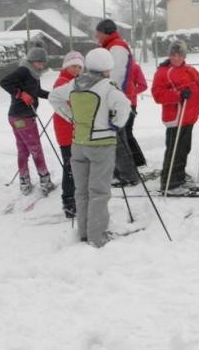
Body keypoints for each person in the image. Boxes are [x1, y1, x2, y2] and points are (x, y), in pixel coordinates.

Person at [49, 48, 131, 247]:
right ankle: (97, 236)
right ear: (107, 67)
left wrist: (71, 117)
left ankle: (84, 232)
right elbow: (124, 105)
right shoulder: (108, 87)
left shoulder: (75, 83)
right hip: (101, 145)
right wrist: (117, 123)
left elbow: (54, 97)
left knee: (82, 191)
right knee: (99, 192)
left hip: (78, 144)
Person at [151, 40, 199, 193]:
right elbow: (157, 95)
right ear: (169, 55)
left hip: (189, 117)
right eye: (173, 54)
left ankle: (179, 176)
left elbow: (197, 86)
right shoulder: (163, 72)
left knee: (184, 149)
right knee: (174, 150)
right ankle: (169, 182)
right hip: (176, 118)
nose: (176, 58)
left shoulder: (188, 70)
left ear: (184, 56)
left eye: (179, 55)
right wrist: (178, 95)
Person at [0, 43, 56, 195]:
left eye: (43, 62)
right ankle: (45, 180)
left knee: (23, 150)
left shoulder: (34, 73)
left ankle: (24, 181)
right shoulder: (24, 70)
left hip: (18, 117)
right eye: (39, 62)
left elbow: (36, 91)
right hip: (22, 117)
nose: (42, 65)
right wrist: (20, 94)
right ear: (31, 60)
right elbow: (4, 82)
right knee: (36, 149)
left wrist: (52, 96)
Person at [95, 18, 140, 186]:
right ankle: (122, 173)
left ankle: (129, 175)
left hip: (115, 99)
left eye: (98, 33)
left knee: (118, 140)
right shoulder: (110, 46)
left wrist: (109, 99)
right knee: (116, 138)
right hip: (114, 97)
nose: (96, 36)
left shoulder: (117, 47)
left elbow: (117, 76)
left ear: (105, 32)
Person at [52, 50, 85, 218]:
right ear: (67, 65)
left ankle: (75, 198)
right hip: (66, 132)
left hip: (76, 131)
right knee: (70, 167)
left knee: (76, 165)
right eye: (74, 66)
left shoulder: (75, 81)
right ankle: (69, 201)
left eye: (80, 67)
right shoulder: (62, 81)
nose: (77, 69)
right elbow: (70, 105)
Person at [125, 60, 148, 167]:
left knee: (127, 132)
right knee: (122, 133)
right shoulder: (113, 67)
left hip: (130, 104)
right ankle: (130, 160)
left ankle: (138, 160)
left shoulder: (134, 67)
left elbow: (143, 85)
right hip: (116, 104)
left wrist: (131, 92)